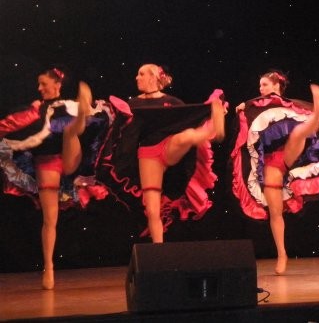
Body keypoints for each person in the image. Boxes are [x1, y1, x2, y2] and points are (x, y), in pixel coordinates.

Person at [0, 68, 110, 289]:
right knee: (50, 220)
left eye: (43, 83)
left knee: (70, 131)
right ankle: (48, 267)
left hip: (70, 158)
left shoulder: (69, 105)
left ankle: (78, 119)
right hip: (47, 162)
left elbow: (95, 125)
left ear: (57, 84)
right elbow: (12, 127)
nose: (39, 88)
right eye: (38, 84)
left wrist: (82, 109)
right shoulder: (36, 109)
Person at [230, 70, 319, 275]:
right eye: (260, 85)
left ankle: (316, 116)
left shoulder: (291, 104)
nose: (261, 89)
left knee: (298, 134)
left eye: (265, 85)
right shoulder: (255, 106)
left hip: (290, 156)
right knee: (275, 213)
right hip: (269, 165)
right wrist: (243, 107)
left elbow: (301, 108)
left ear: (276, 86)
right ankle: (282, 254)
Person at [108, 63, 226, 243]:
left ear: (153, 77)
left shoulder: (173, 102)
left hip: (169, 146)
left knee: (186, 135)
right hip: (147, 154)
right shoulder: (134, 104)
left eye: (141, 74)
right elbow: (124, 133)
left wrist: (208, 110)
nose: (137, 78)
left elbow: (187, 119)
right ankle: (159, 250)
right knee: (152, 210)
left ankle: (211, 130)